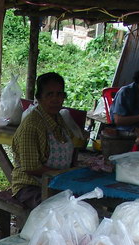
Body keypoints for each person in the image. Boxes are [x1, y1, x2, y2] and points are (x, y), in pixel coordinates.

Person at [8, 72, 84, 210]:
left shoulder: (58, 118)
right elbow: (31, 168)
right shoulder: (31, 126)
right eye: (50, 94)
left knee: (85, 203)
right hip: (30, 186)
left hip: (56, 182)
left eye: (59, 94)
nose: (55, 99)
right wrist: (64, 175)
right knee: (59, 210)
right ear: (39, 98)